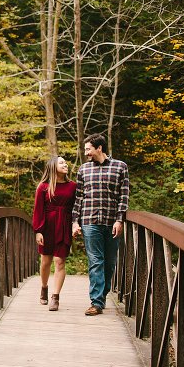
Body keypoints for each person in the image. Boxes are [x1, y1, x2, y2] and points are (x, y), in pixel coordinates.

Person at [71, 133, 130, 316]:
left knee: (110, 263)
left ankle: (101, 295)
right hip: (89, 221)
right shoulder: (83, 169)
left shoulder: (120, 167)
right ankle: (96, 302)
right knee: (96, 261)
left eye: (88, 149)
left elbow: (124, 196)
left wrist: (120, 219)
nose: (86, 152)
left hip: (112, 221)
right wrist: (74, 221)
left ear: (99, 148)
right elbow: (79, 198)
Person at [32, 156, 76, 312]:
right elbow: (38, 210)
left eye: (65, 162)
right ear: (53, 167)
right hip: (47, 227)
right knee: (46, 261)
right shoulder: (43, 187)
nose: (65, 164)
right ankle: (44, 287)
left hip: (64, 225)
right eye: (61, 163)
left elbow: (77, 209)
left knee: (60, 261)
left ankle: (55, 297)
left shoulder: (73, 186)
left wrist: (75, 225)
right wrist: (38, 231)